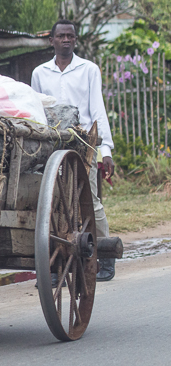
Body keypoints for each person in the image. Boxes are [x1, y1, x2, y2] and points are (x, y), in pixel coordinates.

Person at [31, 19, 116, 282]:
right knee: (52, 205)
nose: (66, 40)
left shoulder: (89, 70)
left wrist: (106, 150)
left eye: (70, 36)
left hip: (84, 146)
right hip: (51, 146)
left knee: (90, 202)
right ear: (52, 40)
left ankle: (106, 256)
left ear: (75, 40)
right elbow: (34, 112)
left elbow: (97, 110)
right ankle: (55, 266)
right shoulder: (39, 73)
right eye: (61, 36)